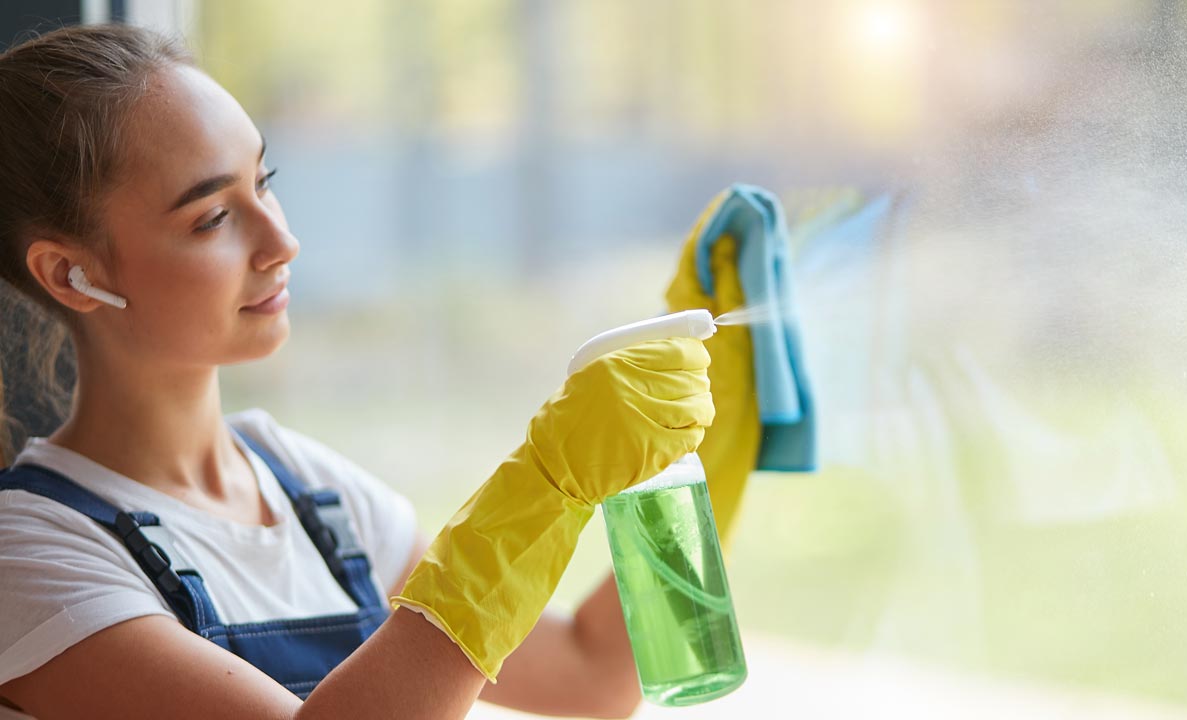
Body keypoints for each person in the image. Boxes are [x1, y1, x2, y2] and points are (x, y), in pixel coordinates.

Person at [0, 23, 757, 719]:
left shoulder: (310, 492)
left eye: (263, 182)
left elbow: (592, 676)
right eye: (213, 218)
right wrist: (546, 489)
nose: (281, 240)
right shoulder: (29, 555)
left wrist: (711, 442)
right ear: (71, 275)